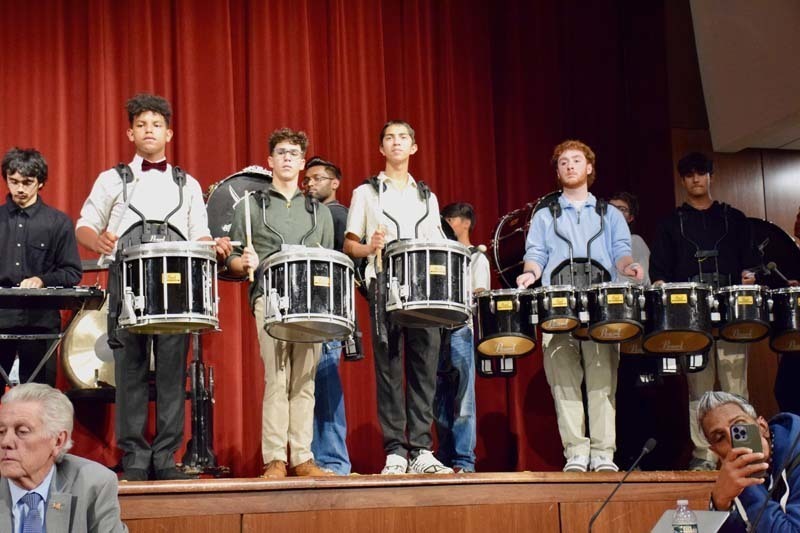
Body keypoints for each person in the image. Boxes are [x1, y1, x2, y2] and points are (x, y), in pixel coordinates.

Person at [76, 94, 231, 481]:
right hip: (128, 282)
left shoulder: (187, 183)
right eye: (142, 125)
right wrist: (98, 241)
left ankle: (164, 458)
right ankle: (134, 458)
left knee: (171, 374)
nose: (149, 131)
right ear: (130, 133)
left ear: (169, 133)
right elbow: (84, 225)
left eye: (157, 125)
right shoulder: (113, 179)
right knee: (129, 370)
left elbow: (200, 234)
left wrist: (213, 245)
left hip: (176, 284)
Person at [517, 139, 643, 473]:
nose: (570, 165)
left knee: (603, 382)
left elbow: (620, 250)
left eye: (576, 160)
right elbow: (536, 253)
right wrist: (530, 273)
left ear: (589, 167)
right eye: (563, 162)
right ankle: (575, 451)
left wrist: (628, 266)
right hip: (558, 305)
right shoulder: (545, 215)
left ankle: (603, 453)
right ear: (558, 172)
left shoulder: (609, 213)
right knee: (564, 382)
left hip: (600, 306)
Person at [344, 120, 453, 474]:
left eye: (403, 137)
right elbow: (350, 245)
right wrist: (369, 246)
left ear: (413, 147)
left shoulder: (427, 196)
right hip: (384, 283)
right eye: (389, 138)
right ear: (381, 148)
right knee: (390, 369)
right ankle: (395, 451)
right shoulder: (366, 192)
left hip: (425, 289)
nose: (396, 143)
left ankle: (421, 449)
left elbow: (437, 242)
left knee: (424, 368)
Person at [225, 129, 334, 479]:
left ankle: (302, 457)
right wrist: (242, 263)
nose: (287, 158)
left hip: (311, 303)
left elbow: (327, 264)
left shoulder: (319, 212)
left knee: (304, 380)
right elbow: (233, 260)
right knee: (277, 377)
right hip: (269, 297)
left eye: (294, 153)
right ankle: (275, 458)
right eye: (281, 152)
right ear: (270, 161)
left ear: (302, 163)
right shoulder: (250, 206)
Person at [649, 152, 758, 471]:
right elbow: (659, 273)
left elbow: (751, 263)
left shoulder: (733, 218)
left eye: (701, 173)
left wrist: (749, 276)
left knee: (736, 386)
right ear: (683, 180)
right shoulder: (671, 223)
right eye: (689, 174)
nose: (696, 179)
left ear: (711, 176)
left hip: (730, 315)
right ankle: (705, 455)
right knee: (699, 390)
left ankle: (746, 449)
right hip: (691, 318)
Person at [0, 148, 82, 387]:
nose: (20, 189)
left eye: (27, 182)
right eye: (13, 181)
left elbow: (72, 272)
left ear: (41, 182)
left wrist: (42, 280)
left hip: (40, 321)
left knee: (39, 396)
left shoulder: (58, 222)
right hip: (1, 318)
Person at [0, 383, 127, 533]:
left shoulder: (92, 484)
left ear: (58, 441)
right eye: (1, 431)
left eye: (22, 431)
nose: (5, 442)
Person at [303, 156, 351, 475]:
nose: (310, 184)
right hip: (310, 309)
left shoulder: (337, 215)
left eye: (317, 178)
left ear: (335, 183)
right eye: (307, 180)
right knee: (312, 386)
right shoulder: (311, 215)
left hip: (328, 309)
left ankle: (333, 460)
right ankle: (318, 458)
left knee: (325, 384)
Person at [435, 202, 491, 473]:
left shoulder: (477, 257)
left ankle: (464, 460)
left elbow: (480, 294)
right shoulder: (438, 255)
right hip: (436, 330)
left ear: (466, 222)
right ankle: (444, 456)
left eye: (450, 219)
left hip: (460, 329)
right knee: (438, 399)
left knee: (463, 399)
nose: (445, 224)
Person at [699, 391, 800, 531]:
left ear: (762, 427)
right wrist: (721, 504)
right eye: (720, 438)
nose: (732, 440)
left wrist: (749, 482)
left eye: (739, 429)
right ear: (717, 453)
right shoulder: (734, 482)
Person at [609, 192, 650, 286]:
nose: (614, 213)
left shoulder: (635, 241)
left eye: (622, 209)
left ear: (630, 218)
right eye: (611, 208)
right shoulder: (598, 241)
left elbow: (640, 279)